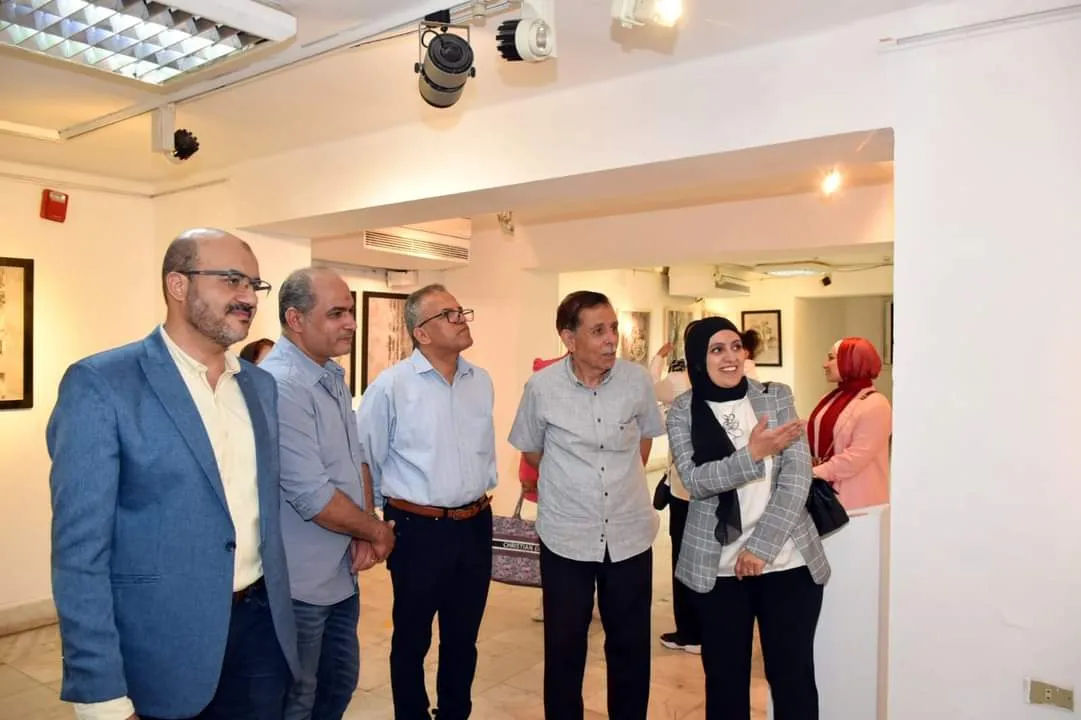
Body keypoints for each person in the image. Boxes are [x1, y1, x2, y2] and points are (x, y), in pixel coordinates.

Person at [47, 228, 299, 720]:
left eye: (254, 284)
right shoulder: (102, 385)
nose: (248, 297)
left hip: (260, 638)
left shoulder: (259, 387)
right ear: (178, 285)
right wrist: (100, 694)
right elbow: (79, 554)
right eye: (231, 280)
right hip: (161, 648)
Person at [509, 290, 665, 720]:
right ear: (569, 338)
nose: (611, 339)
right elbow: (532, 450)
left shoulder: (636, 381)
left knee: (630, 647)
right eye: (598, 331)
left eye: (613, 328)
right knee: (564, 647)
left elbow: (644, 440)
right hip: (566, 536)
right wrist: (576, 484)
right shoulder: (541, 387)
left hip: (629, 535)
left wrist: (616, 482)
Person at [667, 316, 830, 720]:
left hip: (786, 562)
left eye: (736, 346)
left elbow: (797, 477)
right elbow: (696, 481)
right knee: (725, 684)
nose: (730, 357)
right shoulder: (682, 411)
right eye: (717, 349)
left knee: (792, 680)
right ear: (698, 359)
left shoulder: (775, 397)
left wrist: (760, 548)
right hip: (718, 570)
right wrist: (753, 454)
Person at [260, 268, 397, 720]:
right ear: (295, 319)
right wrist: (376, 530)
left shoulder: (330, 374)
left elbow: (356, 460)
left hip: (339, 572)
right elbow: (312, 494)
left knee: (337, 685)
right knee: (297, 699)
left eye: (351, 311)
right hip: (299, 583)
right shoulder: (282, 384)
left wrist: (362, 528)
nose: (351, 323)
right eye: (337, 313)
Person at [356, 284, 496, 720]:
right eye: (449, 314)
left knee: (463, 637)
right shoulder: (392, 386)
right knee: (412, 637)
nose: (461, 319)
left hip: (475, 523)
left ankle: (455, 713)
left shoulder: (480, 381)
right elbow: (365, 457)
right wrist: (373, 523)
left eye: (461, 310)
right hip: (418, 528)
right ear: (421, 333)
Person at [649, 339, 701, 655]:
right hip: (718, 488)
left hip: (686, 490)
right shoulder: (734, 384)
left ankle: (691, 632)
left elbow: (649, 388)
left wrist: (658, 357)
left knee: (684, 561)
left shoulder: (677, 382)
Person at [808, 337, 892, 510]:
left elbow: (856, 457)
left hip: (858, 502)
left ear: (850, 361)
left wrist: (813, 473)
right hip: (825, 497)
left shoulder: (876, 403)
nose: (825, 364)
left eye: (831, 358)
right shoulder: (830, 398)